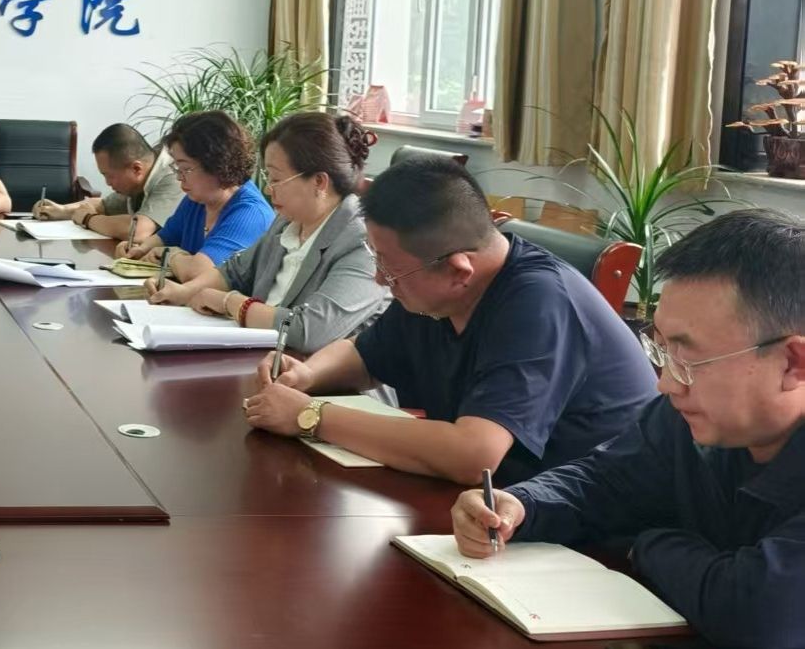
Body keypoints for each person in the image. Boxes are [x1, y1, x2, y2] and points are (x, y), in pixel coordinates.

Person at [451, 210, 805, 648]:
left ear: (793, 362)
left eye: (690, 360)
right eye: (662, 349)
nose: (666, 383)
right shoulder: (691, 415)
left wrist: (650, 544)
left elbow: (761, 615)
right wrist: (522, 504)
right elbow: (606, 481)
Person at [243, 157, 656, 484]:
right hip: (496, 507)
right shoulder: (436, 288)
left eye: (389, 269)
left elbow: (474, 455)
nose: (380, 280)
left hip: (586, 532)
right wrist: (307, 375)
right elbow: (366, 356)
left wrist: (311, 416)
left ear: (459, 271)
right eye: (376, 260)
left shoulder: (539, 303)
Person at [147, 112, 388, 354]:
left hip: (310, 372)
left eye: (276, 179)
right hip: (258, 357)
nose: (269, 190)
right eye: (267, 178)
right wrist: (182, 293)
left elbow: (309, 331)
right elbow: (234, 272)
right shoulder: (286, 222)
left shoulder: (365, 244)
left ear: (319, 182)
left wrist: (230, 303)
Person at [116, 111, 273, 282]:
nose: (179, 177)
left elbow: (199, 273)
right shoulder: (198, 199)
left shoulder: (250, 213)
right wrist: (137, 250)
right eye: (177, 168)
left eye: (186, 169)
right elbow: (165, 238)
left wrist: (172, 256)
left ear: (218, 164)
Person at [30, 123, 181, 242]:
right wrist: (61, 210)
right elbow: (104, 206)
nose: (107, 183)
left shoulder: (174, 175)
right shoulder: (140, 179)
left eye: (109, 175)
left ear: (136, 168)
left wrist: (89, 219)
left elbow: (137, 231)